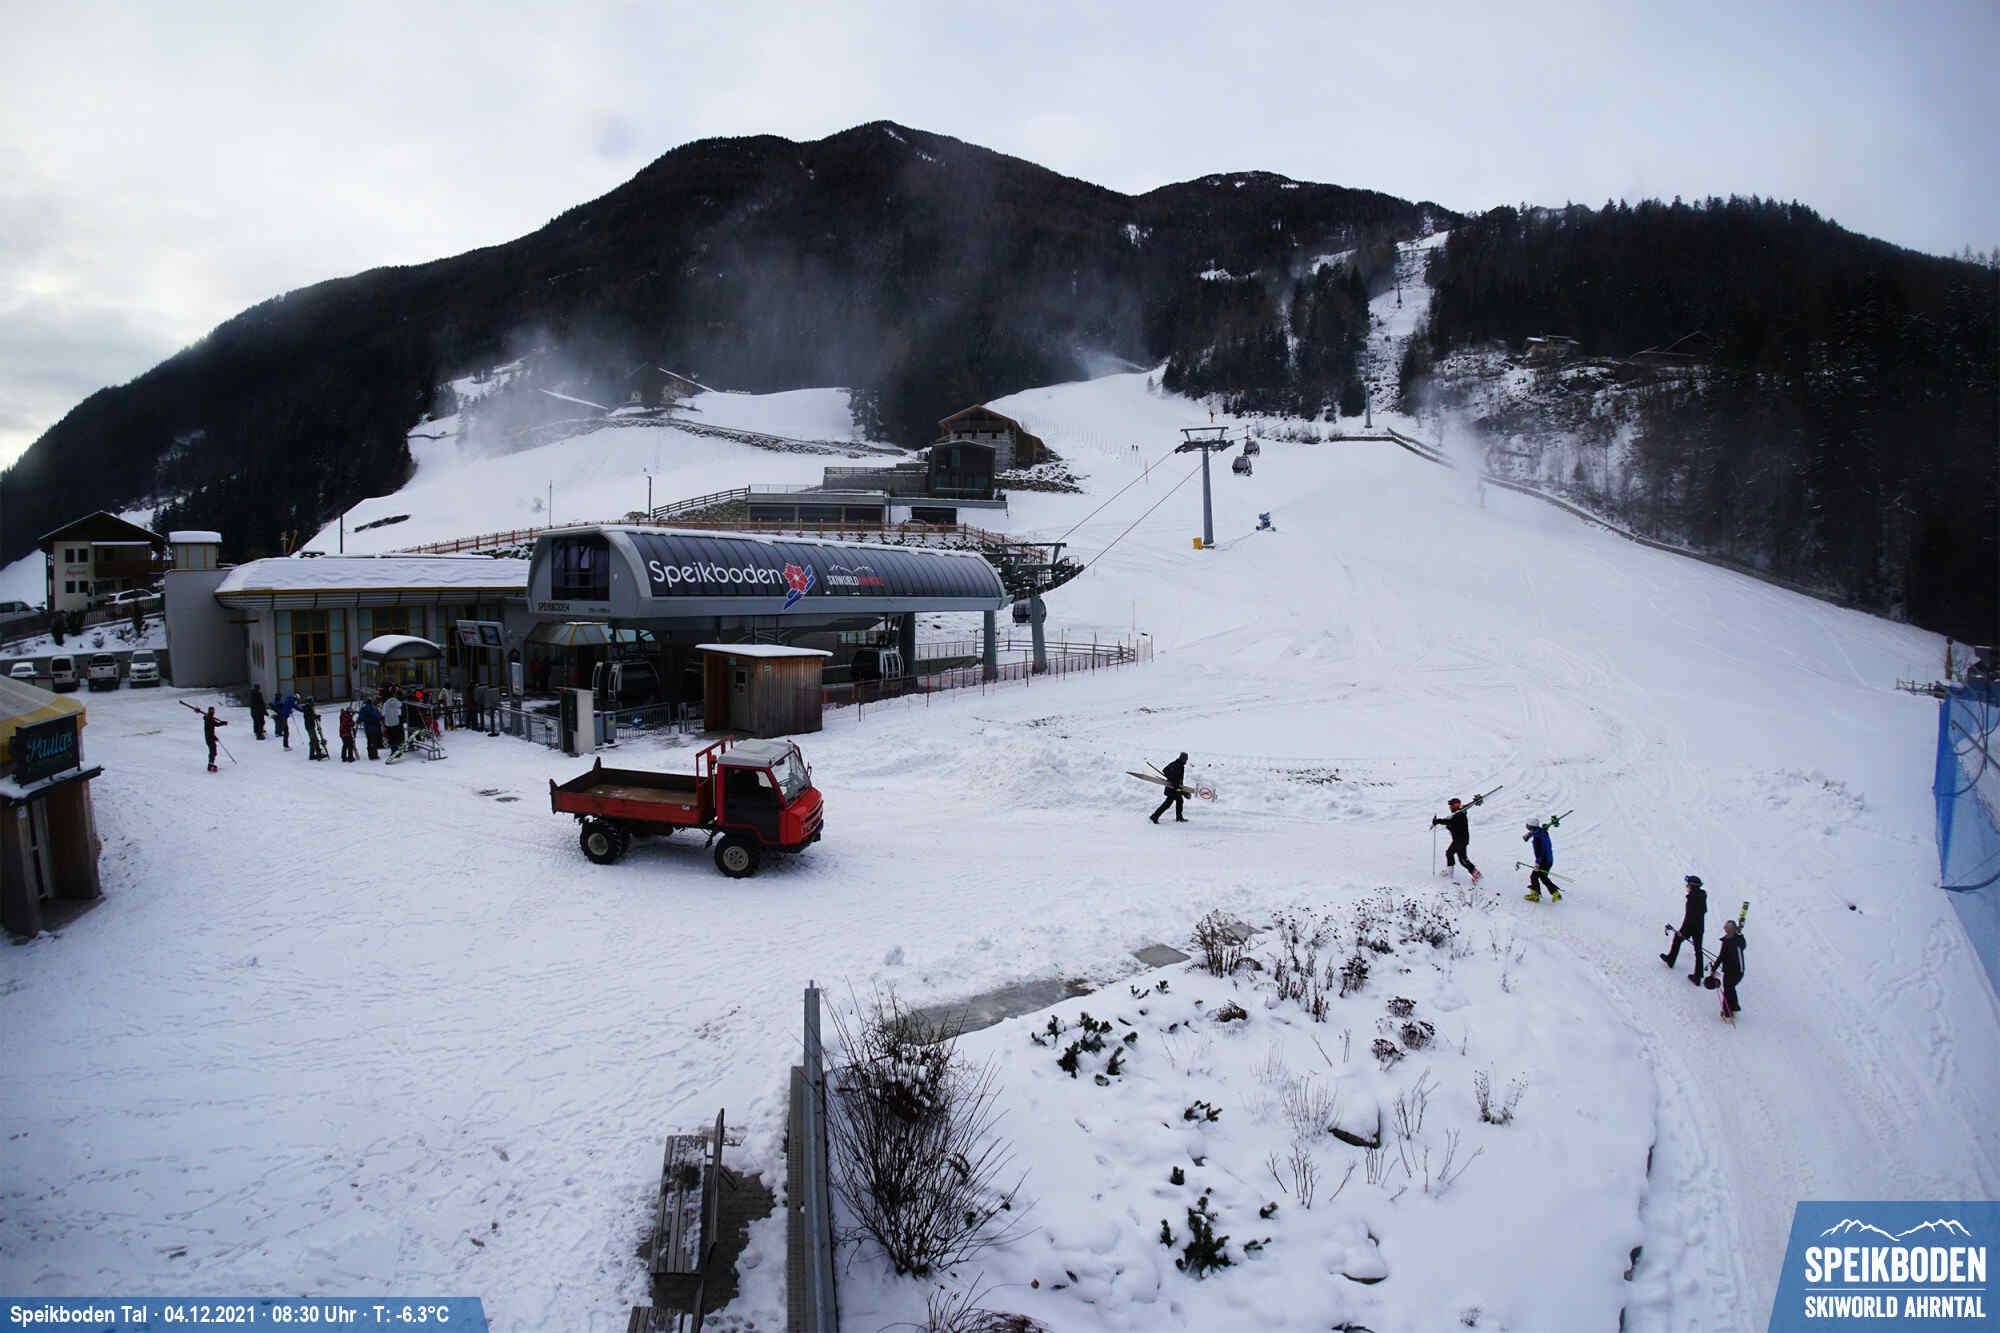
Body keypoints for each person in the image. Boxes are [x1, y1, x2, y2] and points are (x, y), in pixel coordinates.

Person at [1661, 875, 1708, 982]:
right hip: (1699, 927)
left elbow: (1689, 916)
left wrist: (1682, 931)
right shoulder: (1701, 896)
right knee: (1698, 950)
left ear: (1692, 886)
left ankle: (1671, 960)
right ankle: (1698, 976)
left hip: (1690, 926)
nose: (1687, 886)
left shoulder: (1693, 898)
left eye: (1688, 884)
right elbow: (1702, 912)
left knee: (1677, 939)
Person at [1430, 795, 1484, 882]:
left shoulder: (1459, 815)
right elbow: (1451, 823)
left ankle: (1474, 874)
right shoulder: (1458, 814)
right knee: (1454, 855)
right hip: (1459, 840)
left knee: (1459, 858)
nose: (1450, 807)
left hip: (1460, 840)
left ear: (1455, 805)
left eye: (1451, 805)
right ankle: (1471, 873)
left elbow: (1449, 822)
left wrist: (1438, 821)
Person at [1709, 918, 1746, 1023]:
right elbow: (1721, 956)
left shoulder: (1738, 941)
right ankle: (1734, 1008)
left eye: (1727, 927)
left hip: (1736, 971)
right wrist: (1714, 968)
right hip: (1732, 971)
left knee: (1728, 990)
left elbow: (1743, 945)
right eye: (1725, 926)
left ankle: (1727, 1014)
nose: (1724, 928)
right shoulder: (1727, 941)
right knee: (1730, 988)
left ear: (1732, 930)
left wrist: (1740, 934)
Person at [1523, 818, 1561, 901]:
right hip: (1549, 860)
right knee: (1543, 877)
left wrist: (1537, 864)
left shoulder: (1537, 839)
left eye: (1528, 827)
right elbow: (1540, 831)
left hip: (1543, 861)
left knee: (1534, 877)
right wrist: (1529, 835)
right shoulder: (1543, 832)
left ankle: (1535, 895)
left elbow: (1539, 852)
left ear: (1531, 827)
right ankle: (1556, 894)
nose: (1528, 829)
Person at [1150, 752, 1191, 824]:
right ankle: (1154, 816)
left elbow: (1167, 771)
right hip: (1173, 788)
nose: (1186, 761)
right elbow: (1172, 776)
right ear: (1183, 759)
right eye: (1186, 759)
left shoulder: (1177, 764)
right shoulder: (1177, 765)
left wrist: (1179, 787)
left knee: (1178, 801)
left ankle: (1178, 818)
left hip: (1174, 787)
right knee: (1169, 803)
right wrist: (1178, 788)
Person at [301, 696, 329, 761]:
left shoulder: (309, 707)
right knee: (315, 740)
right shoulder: (307, 708)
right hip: (309, 726)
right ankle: (318, 754)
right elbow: (309, 717)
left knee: (312, 740)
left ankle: (312, 755)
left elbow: (312, 715)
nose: (313, 703)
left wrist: (316, 716)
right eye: (312, 701)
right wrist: (315, 717)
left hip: (311, 725)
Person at [202, 706, 228, 772]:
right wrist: (214, 737)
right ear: (209, 711)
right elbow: (210, 729)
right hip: (209, 737)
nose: (213, 712)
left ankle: (211, 764)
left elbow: (215, 724)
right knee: (213, 751)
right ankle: (210, 765)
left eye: (213, 711)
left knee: (213, 751)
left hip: (209, 737)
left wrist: (222, 723)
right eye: (212, 711)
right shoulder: (209, 719)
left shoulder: (210, 718)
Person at [382, 689, 405, 756]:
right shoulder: (398, 702)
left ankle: (393, 750)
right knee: (397, 737)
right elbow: (399, 713)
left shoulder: (385, 704)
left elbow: (383, 713)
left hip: (388, 723)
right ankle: (398, 750)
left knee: (391, 738)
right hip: (396, 722)